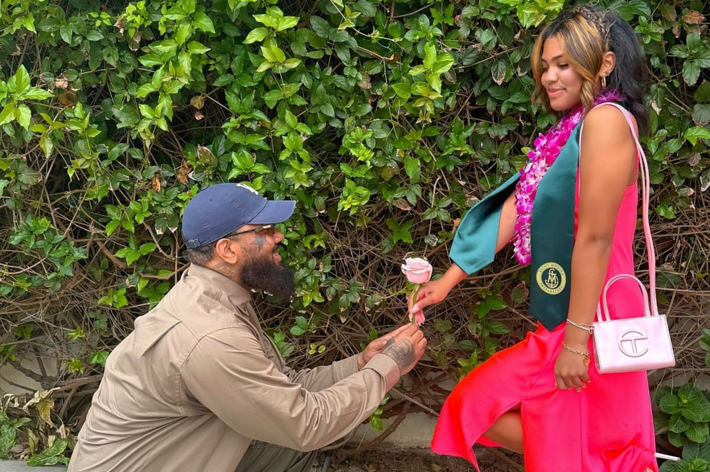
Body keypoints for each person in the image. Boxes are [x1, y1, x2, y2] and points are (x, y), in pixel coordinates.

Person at [409, 6, 657, 472]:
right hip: (575, 308)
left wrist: (577, 342)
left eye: (563, 64)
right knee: (582, 433)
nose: (549, 76)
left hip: (592, 313)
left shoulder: (605, 123)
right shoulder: (572, 129)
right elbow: (518, 205)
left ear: (604, 64)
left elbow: (596, 239)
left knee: (480, 406)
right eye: (545, 66)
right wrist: (448, 280)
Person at [69, 183, 427, 472]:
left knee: (288, 452)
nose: (279, 237)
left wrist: (360, 365)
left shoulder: (216, 295)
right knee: (296, 442)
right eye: (264, 230)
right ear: (227, 249)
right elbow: (306, 424)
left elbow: (280, 386)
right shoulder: (211, 335)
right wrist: (389, 367)